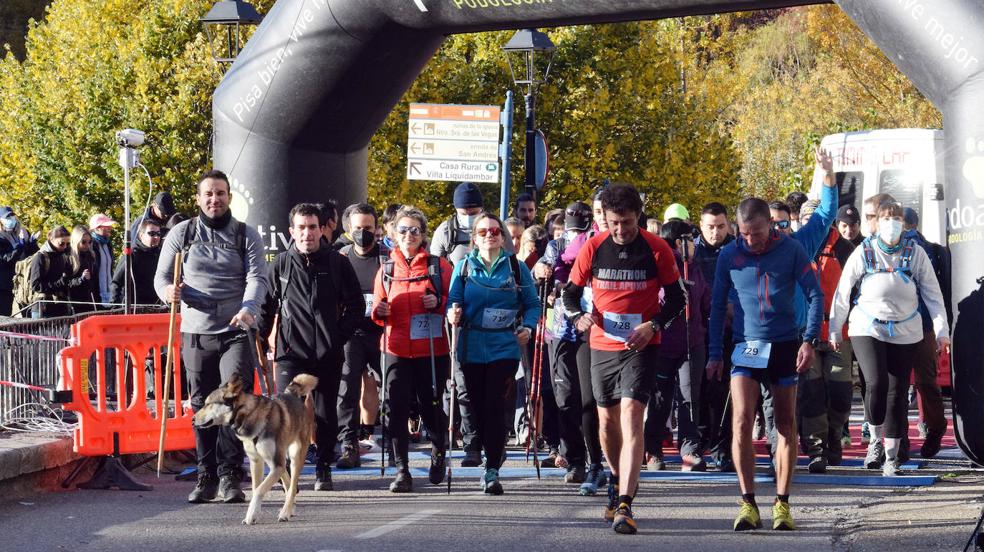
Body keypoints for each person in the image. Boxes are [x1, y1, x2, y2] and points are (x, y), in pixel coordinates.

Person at [562, 184, 684, 535]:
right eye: (613, 223)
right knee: (607, 421)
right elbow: (569, 295)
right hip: (602, 344)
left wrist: (653, 324)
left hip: (642, 344)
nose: (620, 230)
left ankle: (627, 503)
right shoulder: (594, 247)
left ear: (638, 217)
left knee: (632, 414)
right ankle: (616, 480)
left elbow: (677, 300)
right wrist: (578, 318)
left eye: (627, 223)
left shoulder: (656, 248)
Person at [706, 197, 823, 532]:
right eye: (744, 233)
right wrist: (715, 353)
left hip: (785, 344)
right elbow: (716, 307)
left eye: (756, 232)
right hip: (747, 347)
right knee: (741, 421)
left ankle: (783, 503)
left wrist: (809, 340)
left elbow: (815, 295)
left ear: (769, 224)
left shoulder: (791, 250)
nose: (751, 240)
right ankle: (748, 503)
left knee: (785, 424)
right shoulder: (730, 255)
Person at [155, 169, 267, 504]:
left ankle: (231, 475)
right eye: (208, 194)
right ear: (199, 198)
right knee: (202, 405)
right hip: (195, 331)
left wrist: (249, 308)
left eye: (220, 193)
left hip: (235, 329)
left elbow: (257, 277)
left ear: (229, 197)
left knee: (231, 403)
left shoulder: (246, 235)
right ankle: (206, 476)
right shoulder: (182, 232)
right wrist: (167, 293)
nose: (214, 199)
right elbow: (161, 277)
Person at [829, 200, 949, 476]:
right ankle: (875, 440)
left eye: (897, 219)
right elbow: (843, 291)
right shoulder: (865, 251)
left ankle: (892, 457)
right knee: (876, 382)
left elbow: (932, 293)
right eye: (887, 219)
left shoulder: (915, 252)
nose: (892, 224)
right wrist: (836, 328)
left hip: (906, 328)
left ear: (903, 224)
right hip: (868, 326)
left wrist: (942, 331)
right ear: (878, 223)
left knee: (897, 391)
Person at [259, 202, 364, 490]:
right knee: (286, 413)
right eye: (301, 228)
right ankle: (284, 471)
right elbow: (266, 307)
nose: (307, 234)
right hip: (291, 352)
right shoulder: (280, 264)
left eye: (312, 227)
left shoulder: (337, 262)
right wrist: (259, 333)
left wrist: (337, 337)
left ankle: (323, 467)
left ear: (322, 230)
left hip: (327, 353)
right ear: (292, 231)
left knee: (325, 412)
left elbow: (356, 306)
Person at [446, 213, 540, 494]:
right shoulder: (463, 267)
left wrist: (528, 327)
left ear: (503, 236)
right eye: (484, 232)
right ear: (475, 238)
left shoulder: (515, 266)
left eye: (495, 231)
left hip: (504, 347)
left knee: (495, 407)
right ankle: (491, 452)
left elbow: (533, 305)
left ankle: (492, 470)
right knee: (476, 408)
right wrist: (453, 313)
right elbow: (453, 301)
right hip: (472, 347)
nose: (491, 235)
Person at [371, 206, 452, 492]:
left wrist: (438, 303)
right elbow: (377, 309)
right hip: (395, 348)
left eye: (414, 230)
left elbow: (453, 303)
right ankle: (402, 470)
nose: (408, 235)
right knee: (395, 409)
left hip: (431, 349)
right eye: (403, 230)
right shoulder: (387, 268)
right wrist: (379, 310)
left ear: (423, 235)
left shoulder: (437, 266)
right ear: (393, 234)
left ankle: (439, 450)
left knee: (430, 406)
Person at [534, 202, 596, 482]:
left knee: (590, 396)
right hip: (561, 327)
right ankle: (574, 459)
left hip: (592, 323)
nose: (574, 232)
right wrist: (542, 271)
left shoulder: (597, 242)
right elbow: (544, 266)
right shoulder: (556, 245)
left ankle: (595, 457)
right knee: (565, 395)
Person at [645, 220, 710, 472]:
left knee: (689, 397)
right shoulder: (661, 265)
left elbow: (705, 302)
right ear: (677, 242)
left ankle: (690, 448)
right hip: (662, 344)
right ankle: (653, 450)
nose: (694, 244)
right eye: (689, 239)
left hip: (691, 343)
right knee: (660, 399)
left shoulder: (694, 268)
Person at [795, 200, 855, 473]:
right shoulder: (797, 247)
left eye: (816, 218)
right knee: (812, 392)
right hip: (806, 333)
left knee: (841, 392)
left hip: (837, 331)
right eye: (807, 218)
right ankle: (816, 448)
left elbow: (857, 289)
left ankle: (835, 433)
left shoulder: (844, 248)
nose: (812, 223)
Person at [336, 203, 387, 469]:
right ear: (348, 231)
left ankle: (391, 440)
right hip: (352, 333)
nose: (363, 233)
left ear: (377, 228)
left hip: (383, 332)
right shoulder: (341, 258)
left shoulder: (388, 258)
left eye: (368, 228)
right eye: (358, 228)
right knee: (347, 390)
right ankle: (349, 444)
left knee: (391, 387)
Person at [901, 207, 950, 458]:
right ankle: (934, 428)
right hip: (924, 323)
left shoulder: (909, 247)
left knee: (897, 383)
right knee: (926, 382)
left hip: (903, 322)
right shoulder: (933, 249)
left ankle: (899, 438)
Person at [693, 201, 735, 472]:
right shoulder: (692, 252)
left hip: (730, 328)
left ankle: (723, 448)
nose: (715, 232)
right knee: (698, 390)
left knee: (724, 392)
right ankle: (697, 442)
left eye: (720, 226)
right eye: (710, 227)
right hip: (700, 329)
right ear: (701, 226)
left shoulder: (736, 249)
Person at [112, 220, 163, 307]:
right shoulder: (131, 255)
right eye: (152, 233)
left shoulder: (160, 255)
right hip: (133, 307)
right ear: (141, 235)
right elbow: (116, 282)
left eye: (158, 234)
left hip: (155, 307)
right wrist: (114, 307)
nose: (156, 237)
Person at [0, 206, 39, 315]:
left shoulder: (23, 231)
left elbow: (32, 254)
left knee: (27, 312)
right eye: (7, 217)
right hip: (6, 283)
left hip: (24, 279)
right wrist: (21, 244)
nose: (11, 219)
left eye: (12, 215)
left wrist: (32, 242)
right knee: (5, 313)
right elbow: (7, 259)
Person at [28, 226, 73, 318]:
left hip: (60, 306)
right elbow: (35, 285)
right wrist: (59, 283)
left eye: (67, 244)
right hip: (43, 307)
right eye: (61, 244)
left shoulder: (63, 256)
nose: (64, 247)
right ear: (51, 239)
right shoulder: (40, 257)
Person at [66, 226, 98, 313]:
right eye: (83, 242)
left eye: (90, 242)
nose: (87, 245)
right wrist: (81, 279)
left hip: (90, 301)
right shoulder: (69, 257)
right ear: (76, 241)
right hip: (74, 302)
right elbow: (65, 282)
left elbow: (94, 280)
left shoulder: (90, 255)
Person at [89, 213, 117, 306]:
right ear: (97, 228)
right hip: (96, 291)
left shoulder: (108, 243)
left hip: (109, 289)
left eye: (109, 226)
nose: (110, 228)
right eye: (106, 226)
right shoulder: (90, 245)